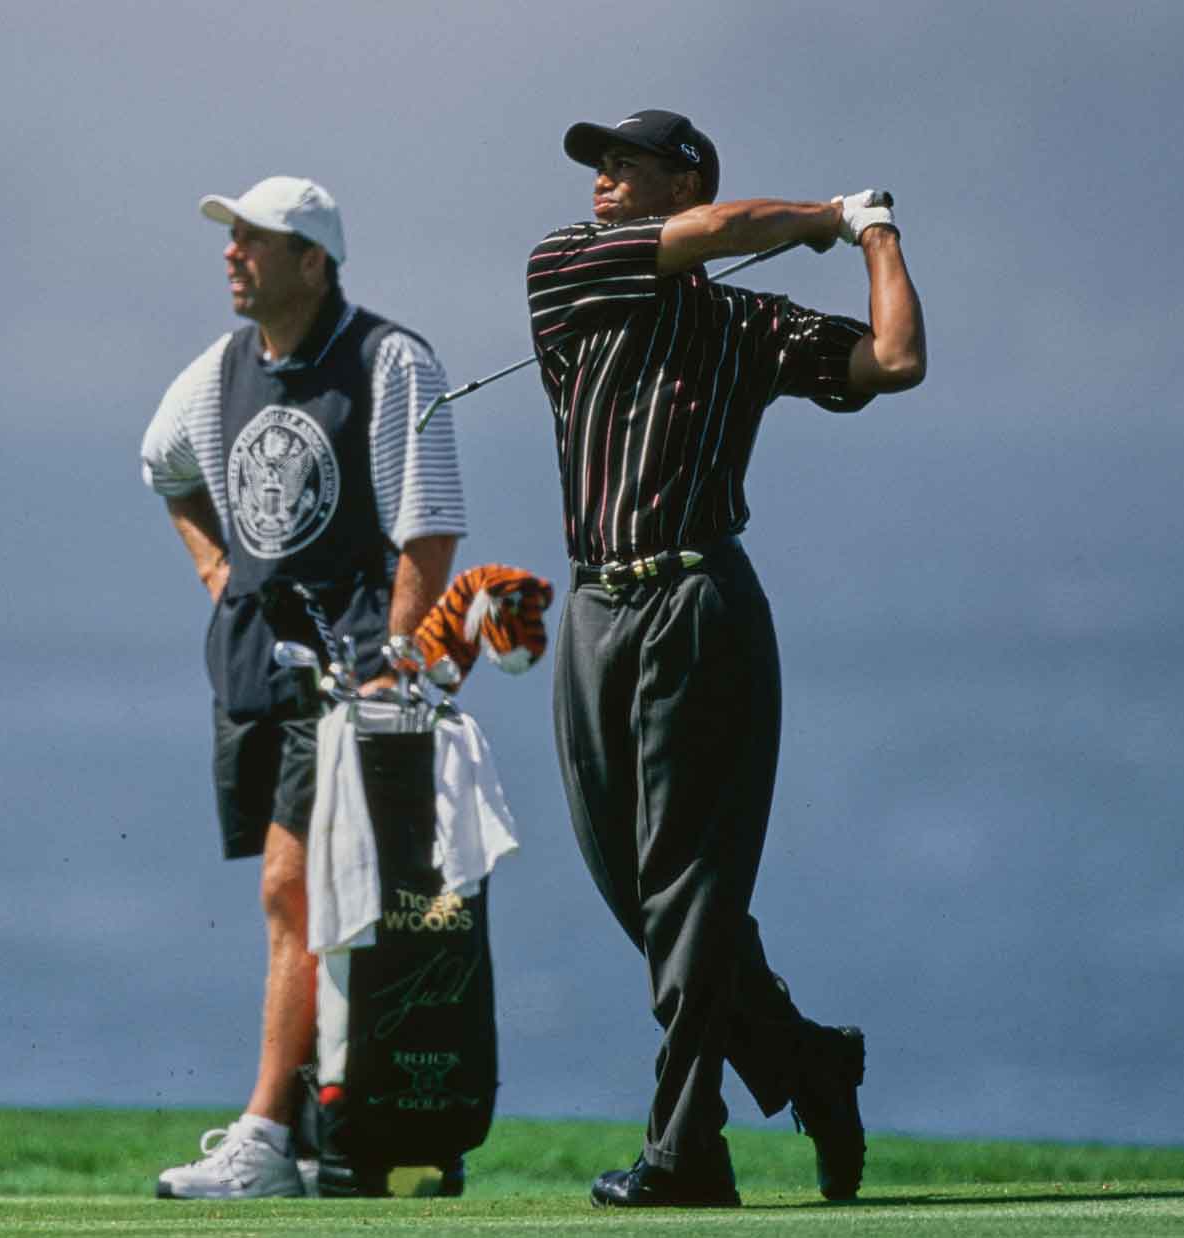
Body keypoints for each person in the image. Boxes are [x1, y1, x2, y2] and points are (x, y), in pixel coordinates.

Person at [523, 109, 925, 1207]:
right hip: (594, 610)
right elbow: (722, 232)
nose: (601, 176)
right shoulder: (566, 268)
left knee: (690, 891)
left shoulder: (749, 325)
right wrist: (819, 217)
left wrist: (875, 233)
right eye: (597, 163)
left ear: (686, 180)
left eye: (626, 162)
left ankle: (686, 1145)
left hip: (701, 605)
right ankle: (805, 1061)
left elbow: (894, 359)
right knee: (640, 889)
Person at [140, 175, 464, 1199]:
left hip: (349, 671)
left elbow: (428, 525)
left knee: (291, 890)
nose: (233, 255)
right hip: (254, 672)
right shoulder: (221, 370)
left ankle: (267, 1135)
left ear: (312, 260)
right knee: (308, 900)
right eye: (231, 240)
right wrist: (212, 567)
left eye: (256, 241)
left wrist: (393, 660)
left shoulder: (388, 360)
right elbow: (162, 465)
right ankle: (344, 1129)